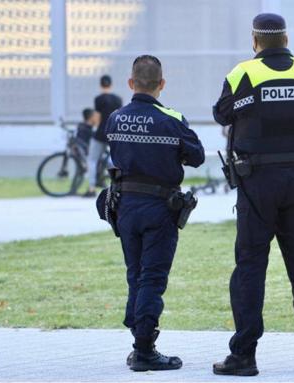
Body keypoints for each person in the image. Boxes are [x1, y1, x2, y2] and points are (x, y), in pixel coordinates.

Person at [212, 13, 294, 376]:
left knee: (250, 266)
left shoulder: (242, 74)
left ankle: (244, 356)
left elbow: (222, 115)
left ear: (255, 40)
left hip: (257, 182)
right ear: (286, 38)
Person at [104, 55, 205, 371]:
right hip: (160, 208)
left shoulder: (115, 118)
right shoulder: (171, 118)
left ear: (131, 83)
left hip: (125, 206)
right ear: (161, 84)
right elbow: (197, 157)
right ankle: (145, 350)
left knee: (135, 274)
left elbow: (117, 155)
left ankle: (139, 340)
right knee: (152, 277)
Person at [84, 75, 123, 197]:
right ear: (111, 85)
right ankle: (120, 186)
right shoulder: (118, 99)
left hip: (101, 133)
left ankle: (91, 188)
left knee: (92, 160)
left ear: (100, 85)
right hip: (114, 133)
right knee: (117, 160)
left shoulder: (98, 99)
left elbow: (97, 117)